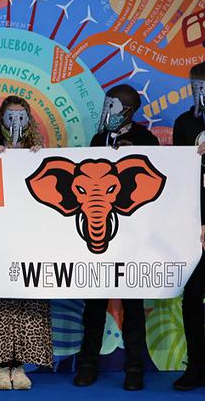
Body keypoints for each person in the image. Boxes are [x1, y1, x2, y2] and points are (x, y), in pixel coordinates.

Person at [74, 84, 159, 391]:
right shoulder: (98, 139)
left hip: (132, 240)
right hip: (98, 241)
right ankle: (87, 364)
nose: (106, 111)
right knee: (93, 305)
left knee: (133, 307)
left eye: (112, 106)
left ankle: (134, 368)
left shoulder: (145, 139)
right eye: (106, 105)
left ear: (128, 111)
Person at [0, 95, 51, 391]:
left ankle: (21, 364)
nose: (15, 121)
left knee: (26, 299)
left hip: (29, 238)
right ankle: (1, 365)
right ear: (0, 118)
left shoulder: (39, 154)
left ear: (29, 119)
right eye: (10, 115)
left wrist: (39, 158)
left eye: (21, 115)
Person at [172, 61, 205, 391]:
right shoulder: (184, 123)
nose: (200, 93)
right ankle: (197, 364)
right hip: (196, 226)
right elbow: (182, 177)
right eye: (195, 87)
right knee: (192, 295)